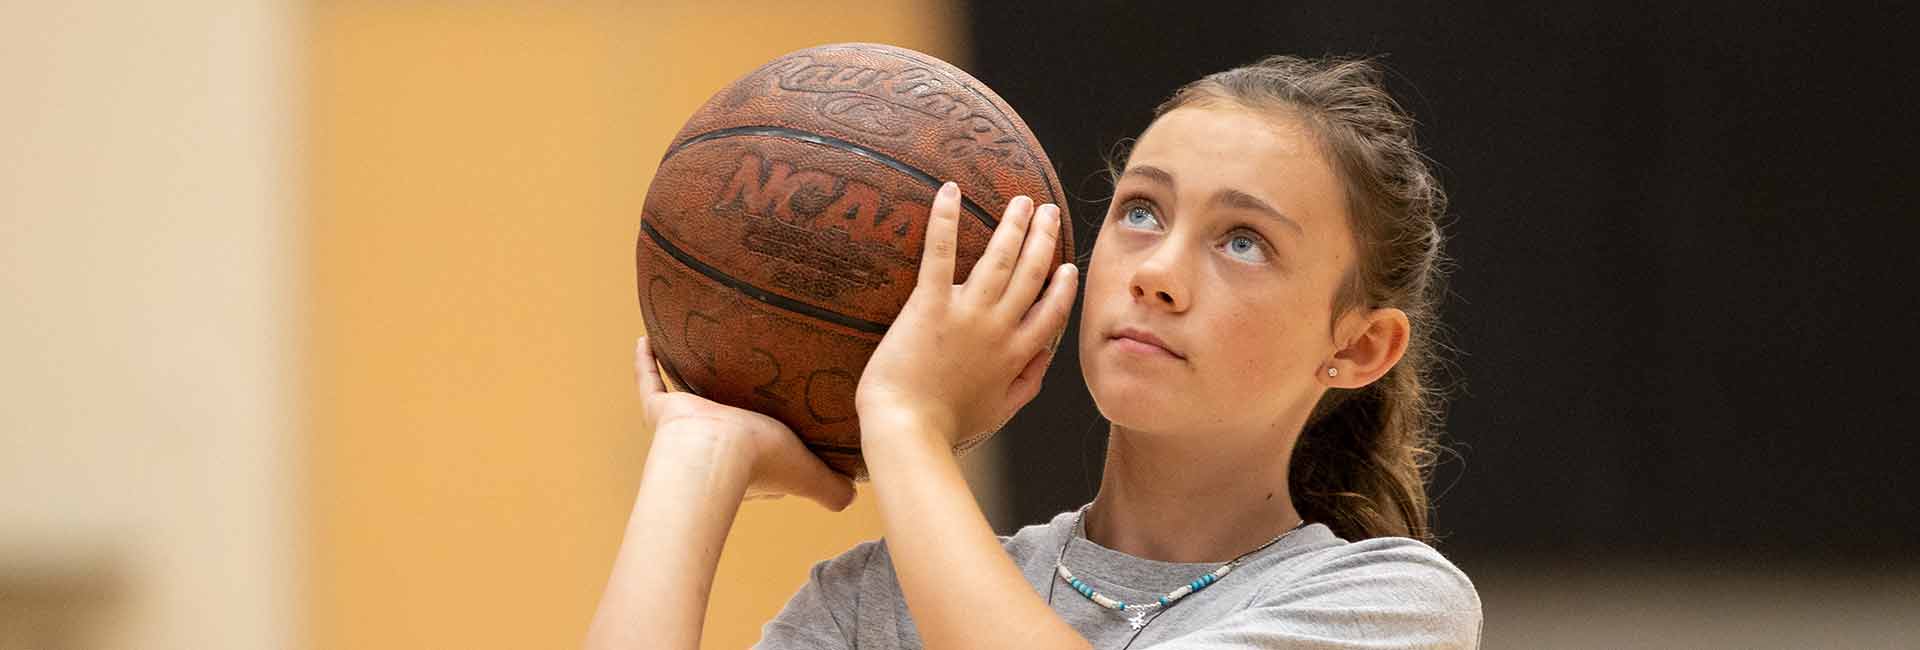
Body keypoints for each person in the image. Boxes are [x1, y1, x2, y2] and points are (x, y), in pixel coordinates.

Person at [587, 54, 1481, 649]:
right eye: (1141, 212)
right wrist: (694, 458)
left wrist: (902, 417)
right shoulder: (875, 603)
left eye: (1242, 240)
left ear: (1361, 347)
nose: (1157, 273)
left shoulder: (1388, 608)